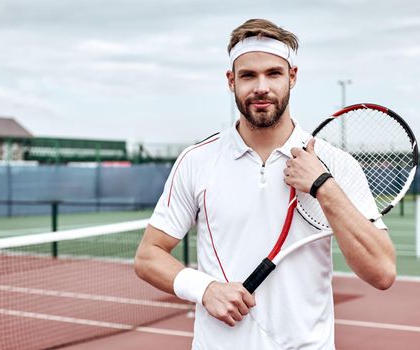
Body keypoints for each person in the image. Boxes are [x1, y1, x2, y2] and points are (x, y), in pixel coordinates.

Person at [135, 18, 396, 349]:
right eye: (248, 75)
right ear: (231, 81)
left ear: (292, 77)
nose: (261, 87)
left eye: (273, 73)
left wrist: (323, 185)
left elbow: (382, 272)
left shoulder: (337, 164)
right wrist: (205, 288)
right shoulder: (197, 161)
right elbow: (148, 255)